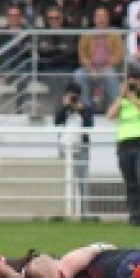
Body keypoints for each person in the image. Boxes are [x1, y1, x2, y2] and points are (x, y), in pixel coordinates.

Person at [106, 65, 140, 227]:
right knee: (130, 181)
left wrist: (134, 99)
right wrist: (122, 97)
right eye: (130, 82)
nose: (133, 84)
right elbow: (110, 115)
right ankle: (134, 216)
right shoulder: (121, 100)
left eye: (136, 82)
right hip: (125, 143)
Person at [54, 84, 94, 216]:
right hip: (65, 146)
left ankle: (84, 210)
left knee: (83, 177)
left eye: (74, 96)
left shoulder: (86, 107)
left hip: (82, 146)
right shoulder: (63, 108)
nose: (72, 99)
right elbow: (57, 121)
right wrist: (66, 107)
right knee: (64, 177)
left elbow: (89, 125)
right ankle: (63, 209)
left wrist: (80, 109)